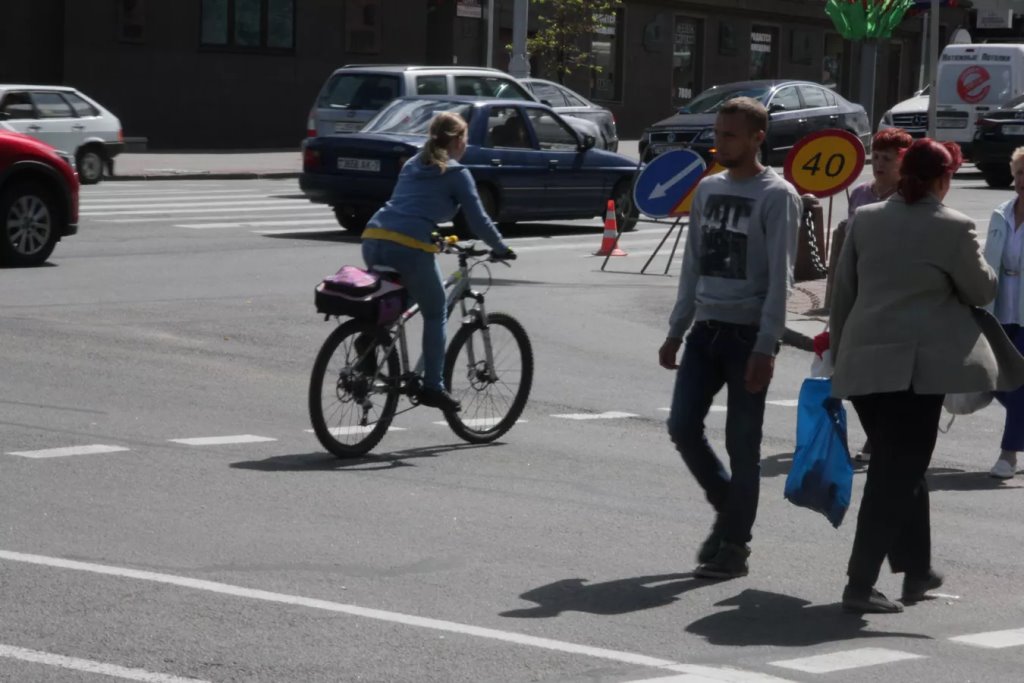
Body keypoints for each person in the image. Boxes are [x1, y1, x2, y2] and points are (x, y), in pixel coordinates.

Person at [829, 139, 1007, 613]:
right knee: (894, 473)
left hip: (864, 365)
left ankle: (916, 571)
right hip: (915, 374)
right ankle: (859, 583)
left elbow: (842, 292)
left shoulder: (866, 220)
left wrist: (836, 360)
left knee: (900, 466)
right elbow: (981, 287)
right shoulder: (953, 227)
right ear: (944, 179)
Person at [659, 97, 801, 580]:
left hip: (746, 338)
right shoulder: (707, 189)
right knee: (681, 427)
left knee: (743, 446)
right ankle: (729, 508)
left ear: (758, 137)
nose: (720, 143)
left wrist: (767, 345)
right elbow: (692, 264)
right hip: (705, 330)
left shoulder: (777, 195)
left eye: (730, 135)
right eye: (718, 134)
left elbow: (781, 278)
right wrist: (675, 330)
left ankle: (735, 547)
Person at [362, 111, 515, 412]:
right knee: (435, 313)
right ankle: (433, 386)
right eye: (466, 140)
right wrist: (501, 247)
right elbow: (479, 219)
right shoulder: (457, 173)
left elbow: (408, 206)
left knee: (398, 298)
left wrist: (432, 236)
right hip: (407, 246)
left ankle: (368, 341)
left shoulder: (412, 163)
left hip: (374, 236)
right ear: (458, 141)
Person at [844, 127, 914, 462]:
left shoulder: (911, 197)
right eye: (876, 156)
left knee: (886, 374)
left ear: (904, 163)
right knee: (858, 374)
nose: (879, 164)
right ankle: (879, 433)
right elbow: (845, 249)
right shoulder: (860, 194)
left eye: (888, 158)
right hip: (858, 291)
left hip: (893, 298)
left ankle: (881, 439)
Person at [983, 146, 1024, 479]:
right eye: (1021, 172)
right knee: (995, 380)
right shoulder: (1001, 213)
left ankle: (1008, 455)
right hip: (1000, 309)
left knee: (1019, 384)